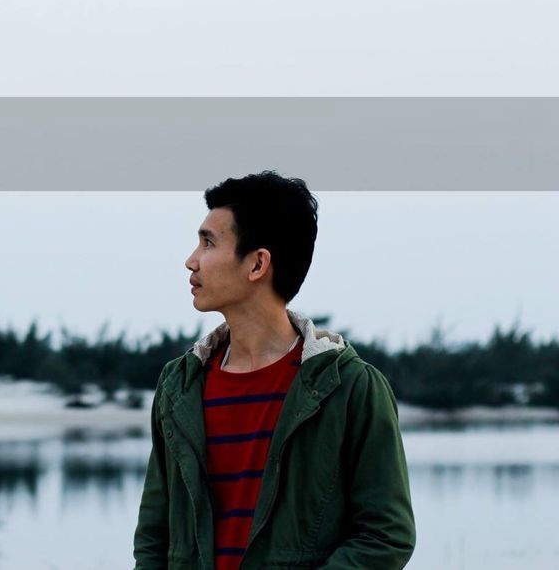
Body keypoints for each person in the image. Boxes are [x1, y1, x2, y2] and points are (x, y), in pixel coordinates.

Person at [133, 171, 415, 569]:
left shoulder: (351, 387)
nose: (191, 260)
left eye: (208, 242)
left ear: (257, 264)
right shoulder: (179, 385)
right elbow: (153, 537)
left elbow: (386, 535)